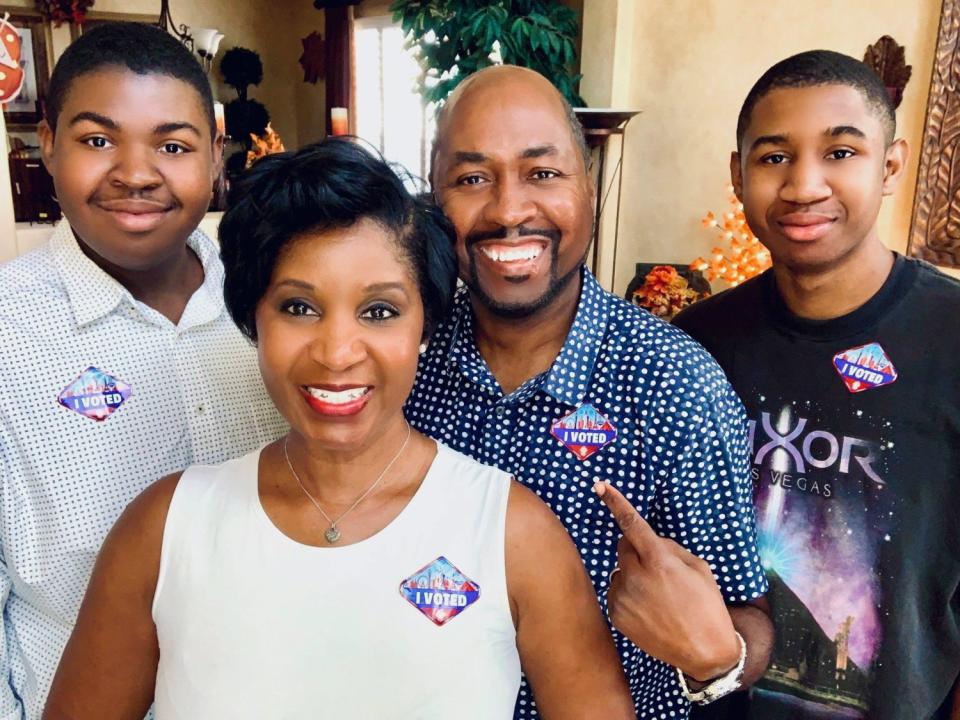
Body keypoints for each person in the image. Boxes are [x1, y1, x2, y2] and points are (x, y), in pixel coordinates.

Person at [42, 139, 636, 720]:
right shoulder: (163, 529)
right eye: (299, 308)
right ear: (254, 319)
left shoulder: (512, 534)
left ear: (424, 325)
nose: (337, 352)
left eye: (379, 311)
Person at [404, 64, 773, 719]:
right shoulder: (408, 363)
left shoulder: (673, 387)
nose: (510, 210)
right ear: (435, 201)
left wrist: (717, 654)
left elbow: (746, 619)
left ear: (590, 189)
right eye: (471, 178)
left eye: (542, 173)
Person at [0, 22, 286, 719]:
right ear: (48, 143)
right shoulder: (9, 335)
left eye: (172, 145)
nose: (135, 172)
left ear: (217, 155)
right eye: (98, 140)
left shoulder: (278, 307)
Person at [673, 50, 960, 720]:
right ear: (738, 173)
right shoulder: (695, 346)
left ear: (890, 165)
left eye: (840, 153)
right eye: (774, 157)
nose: (805, 184)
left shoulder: (950, 342)